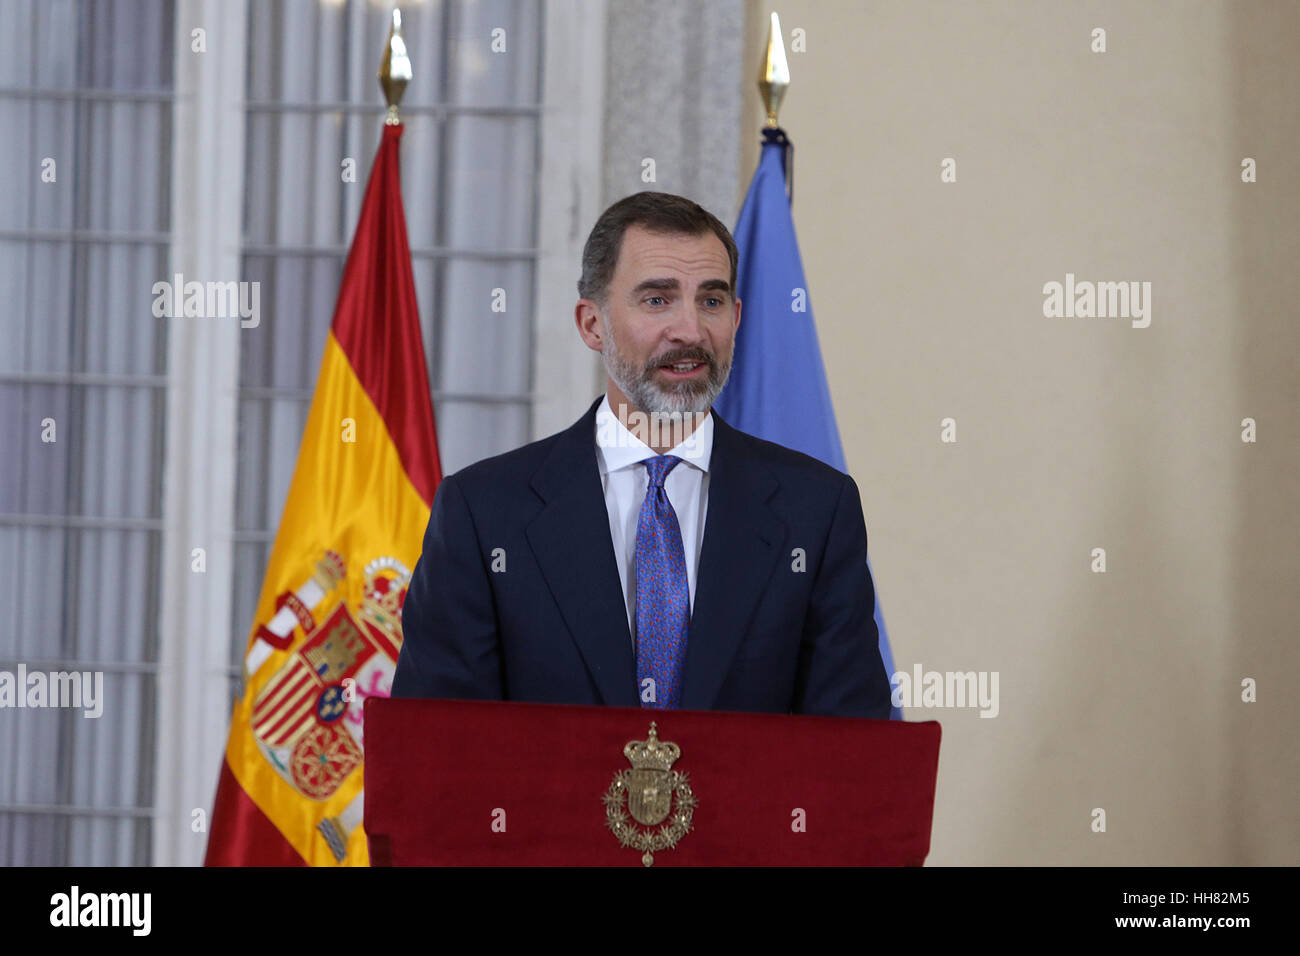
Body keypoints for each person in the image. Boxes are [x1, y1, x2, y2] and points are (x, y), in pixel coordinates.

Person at [392, 191, 891, 718]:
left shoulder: (816, 510)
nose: (691, 331)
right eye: (657, 300)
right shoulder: (483, 513)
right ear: (592, 324)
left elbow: (851, 756)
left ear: (737, 318)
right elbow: (438, 749)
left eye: (712, 301)